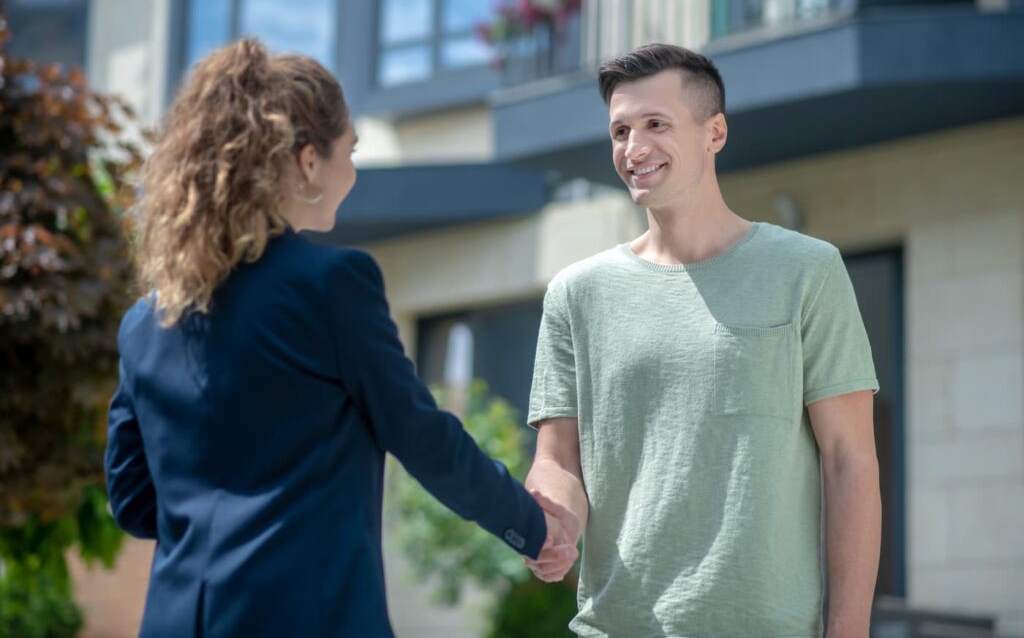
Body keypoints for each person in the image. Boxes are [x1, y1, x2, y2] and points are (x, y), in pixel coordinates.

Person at [103, 37, 577, 637]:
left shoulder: (145, 323)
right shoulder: (332, 284)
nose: (351, 172)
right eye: (348, 152)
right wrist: (532, 527)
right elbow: (421, 435)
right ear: (307, 161)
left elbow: (133, 500)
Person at [524, 43, 881, 638]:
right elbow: (558, 459)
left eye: (656, 125)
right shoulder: (575, 293)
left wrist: (848, 631)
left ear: (714, 132)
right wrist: (552, 519)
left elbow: (850, 464)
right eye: (620, 130)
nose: (633, 149)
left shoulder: (807, 271)